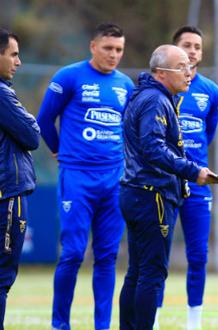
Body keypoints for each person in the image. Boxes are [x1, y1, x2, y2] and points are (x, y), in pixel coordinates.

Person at [36, 23, 134, 330]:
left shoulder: (125, 85)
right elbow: (43, 120)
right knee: (74, 253)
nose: (114, 55)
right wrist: (57, 150)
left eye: (119, 49)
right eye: (108, 48)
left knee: (106, 257)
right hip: (77, 177)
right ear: (93, 46)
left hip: (114, 180)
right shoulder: (69, 76)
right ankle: (59, 324)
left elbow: (129, 130)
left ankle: (102, 325)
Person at [118, 44, 218, 330]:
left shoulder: (147, 96)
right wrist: (192, 171)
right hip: (152, 195)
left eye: (190, 66)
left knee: (136, 272)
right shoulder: (155, 100)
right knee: (151, 273)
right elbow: (153, 148)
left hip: (136, 192)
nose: (189, 72)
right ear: (161, 73)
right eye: (182, 67)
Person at [154, 26, 218, 330]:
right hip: (163, 182)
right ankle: (151, 319)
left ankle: (193, 322)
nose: (192, 51)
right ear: (175, 49)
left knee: (198, 255)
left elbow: (207, 135)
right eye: (186, 45)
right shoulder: (161, 90)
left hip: (197, 184)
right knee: (157, 256)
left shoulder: (212, 92)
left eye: (197, 46)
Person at [0, 28, 40, 329]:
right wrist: (30, 121)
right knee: (2, 277)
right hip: (6, 196)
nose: (19, 61)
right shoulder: (2, 94)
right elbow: (31, 134)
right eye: (13, 54)